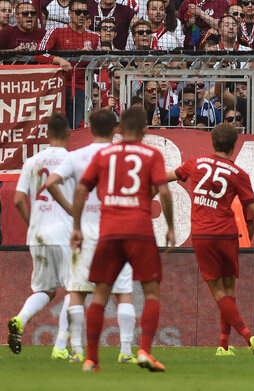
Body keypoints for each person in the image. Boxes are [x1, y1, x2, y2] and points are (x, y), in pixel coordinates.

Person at [166, 123, 254, 356]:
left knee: (218, 293)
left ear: (213, 142)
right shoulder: (239, 174)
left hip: (203, 235)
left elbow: (170, 176)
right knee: (229, 289)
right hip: (227, 235)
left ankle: (247, 336)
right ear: (234, 145)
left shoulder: (196, 162)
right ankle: (223, 345)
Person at [72, 107, 175, 372]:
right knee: (151, 292)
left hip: (109, 231)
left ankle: (91, 359)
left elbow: (82, 189)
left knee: (99, 294)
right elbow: (164, 191)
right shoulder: (152, 154)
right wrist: (171, 227)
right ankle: (144, 351)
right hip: (140, 230)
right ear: (144, 130)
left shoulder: (104, 154)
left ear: (119, 129)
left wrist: (76, 227)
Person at [44, 109, 137, 364]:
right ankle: (126, 351)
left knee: (77, 291)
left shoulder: (77, 156)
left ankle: (76, 350)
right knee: (123, 292)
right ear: (114, 129)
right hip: (119, 230)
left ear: (90, 127)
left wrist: (72, 210)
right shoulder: (125, 156)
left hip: (86, 231)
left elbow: (51, 182)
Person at [8, 113, 73, 359]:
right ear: (67, 133)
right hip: (66, 233)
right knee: (75, 290)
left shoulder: (32, 161)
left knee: (46, 290)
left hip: (39, 235)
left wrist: (33, 224)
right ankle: (60, 347)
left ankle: (20, 319)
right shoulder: (72, 160)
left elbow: (17, 200)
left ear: (47, 134)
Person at [36, 0, 99, 129]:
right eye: (78, 12)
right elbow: (39, 53)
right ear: (69, 13)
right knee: (54, 127)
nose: (82, 15)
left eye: (85, 13)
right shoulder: (56, 32)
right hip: (57, 86)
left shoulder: (94, 37)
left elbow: (98, 68)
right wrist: (59, 60)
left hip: (81, 89)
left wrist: (94, 57)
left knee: (75, 128)